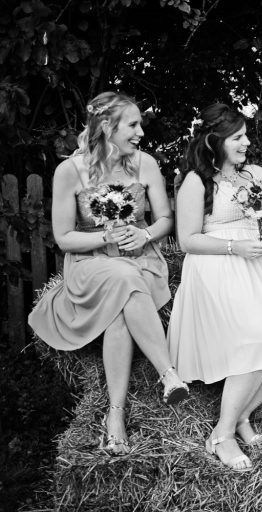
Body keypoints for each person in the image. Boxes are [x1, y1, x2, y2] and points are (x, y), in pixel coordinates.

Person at [28, 91, 189, 456]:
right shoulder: (69, 171)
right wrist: (105, 237)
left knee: (120, 305)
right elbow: (63, 238)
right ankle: (168, 373)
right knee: (122, 279)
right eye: (133, 125)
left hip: (141, 258)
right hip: (90, 263)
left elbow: (165, 218)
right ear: (106, 126)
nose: (140, 133)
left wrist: (145, 234)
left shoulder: (145, 164)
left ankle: (114, 417)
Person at [167, 104, 262, 471]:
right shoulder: (196, 181)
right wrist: (235, 247)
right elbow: (188, 240)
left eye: (246, 135)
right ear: (214, 141)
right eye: (238, 137)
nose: (246, 142)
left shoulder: (256, 174)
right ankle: (223, 435)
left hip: (259, 266)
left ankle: (242, 414)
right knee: (254, 338)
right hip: (216, 267)